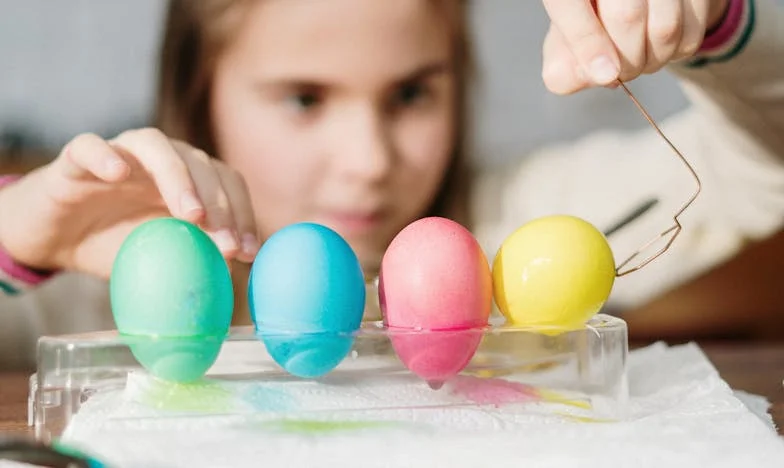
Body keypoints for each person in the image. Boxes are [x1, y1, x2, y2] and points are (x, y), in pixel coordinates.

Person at [0, 0, 782, 369]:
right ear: (200, 94)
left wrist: (722, 28)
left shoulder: (516, 223)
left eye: (411, 94)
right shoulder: (91, 273)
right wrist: (17, 244)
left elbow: (759, 167)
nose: (370, 159)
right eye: (304, 98)